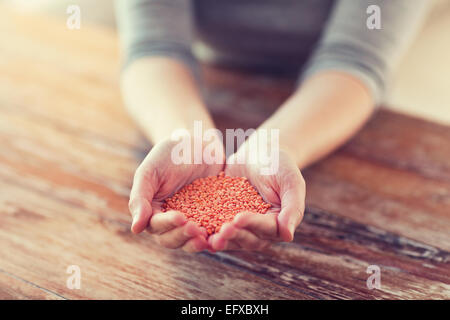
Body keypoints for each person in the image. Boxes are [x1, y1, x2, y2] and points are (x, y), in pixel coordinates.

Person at [115, 0, 429, 253]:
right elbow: (154, 47)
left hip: (338, 100)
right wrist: (186, 137)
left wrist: (276, 146)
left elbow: (356, 60)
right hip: (213, 82)